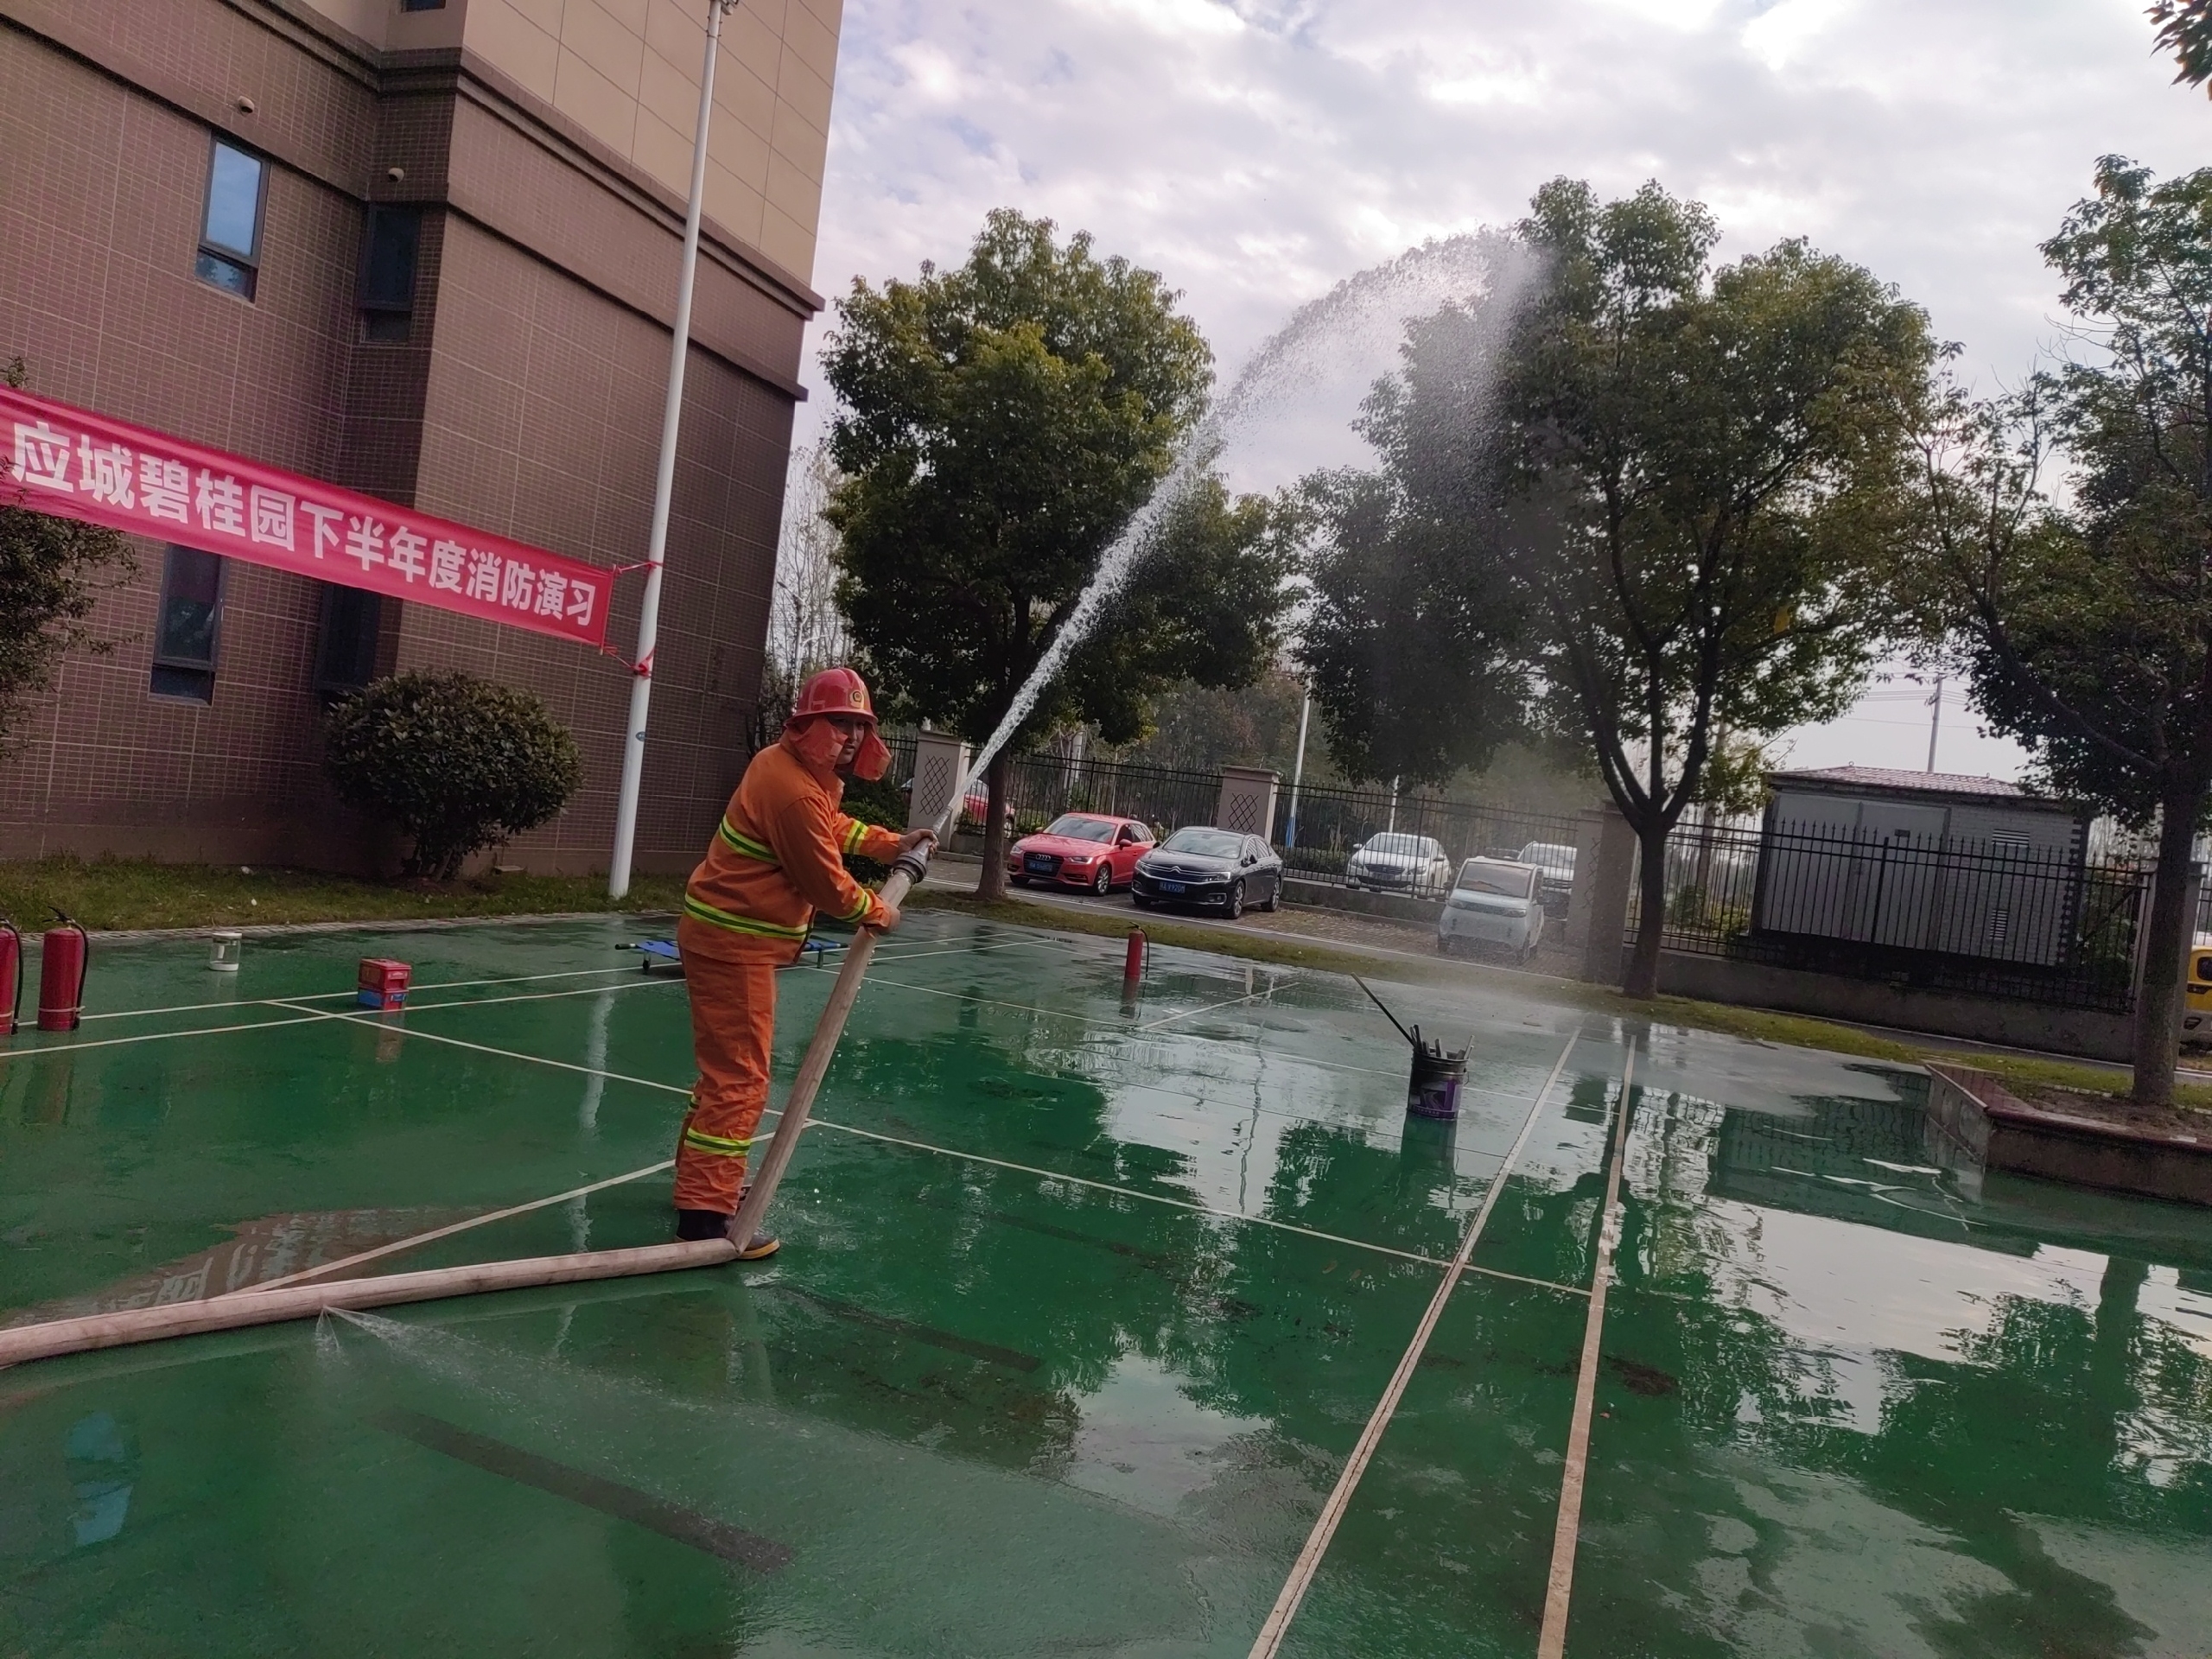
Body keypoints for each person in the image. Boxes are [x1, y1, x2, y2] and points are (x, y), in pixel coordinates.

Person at [672, 666, 934, 1252]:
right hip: (734, 946)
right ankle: (705, 1216)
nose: (851, 737)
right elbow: (827, 885)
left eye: (859, 726)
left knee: (724, 1075)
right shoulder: (791, 789)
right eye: (840, 723)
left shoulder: (794, 772)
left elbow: (831, 825)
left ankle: (701, 1187)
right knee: (740, 1081)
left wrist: (890, 844)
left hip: (728, 939)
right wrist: (880, 911)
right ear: (808, 724)